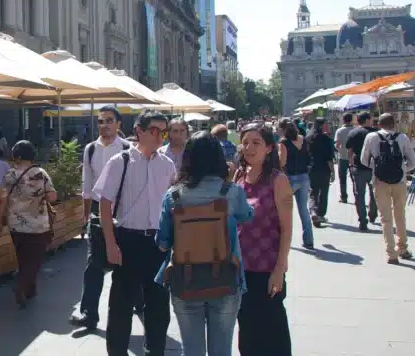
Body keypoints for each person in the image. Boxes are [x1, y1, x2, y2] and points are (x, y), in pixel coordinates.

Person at [156, 132, 253, 356]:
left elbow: (162, 243)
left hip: (185, 280)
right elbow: (247, 215)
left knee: (192, 350)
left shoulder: (174, 196)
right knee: (222, 349)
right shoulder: (231, 192)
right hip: (226, 278)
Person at [93, 109, 175, 356]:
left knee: (158, 305)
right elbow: (104, 204)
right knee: (121, 304)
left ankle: (155, 351)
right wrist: (111, 244)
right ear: (140, 131)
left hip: (158, 242)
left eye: (164, 132)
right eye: (155, 130)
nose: (160, 136)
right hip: (127, 239)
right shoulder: (120, 161)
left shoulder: (167, 165)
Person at [235, 123, 294, 355]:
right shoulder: (239, 176)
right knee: (247, 332)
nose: (249, 148)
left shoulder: (278, 180)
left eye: (256, 143)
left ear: (269, 148)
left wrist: (280, 269)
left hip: (267, 269)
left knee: (272, 332)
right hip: (241, 269)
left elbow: (287, 229)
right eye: (245, 142)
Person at [69, 106, 130, 331]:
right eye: (101, 121)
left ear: (118, 124)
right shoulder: (91, 149)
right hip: (97, 209)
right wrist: (85, 215)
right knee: (93, 263)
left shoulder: (127, 148)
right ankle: (89, 314)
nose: (104, 125)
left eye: (109, 120)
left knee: (126, 262)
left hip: (122, 208)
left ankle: (133, 305)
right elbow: (87, 185)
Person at [0, 140, 57, 307]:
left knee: (23, 257)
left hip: (16, 224)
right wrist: (42, 194)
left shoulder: (10, 175)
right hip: (38, 225)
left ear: (16, 156)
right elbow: (52, 197)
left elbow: (2, 199)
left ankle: (30, 289)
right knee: (35, 259)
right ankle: (22, 286)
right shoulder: (41, 173)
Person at [360, 113, 415, 264]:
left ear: (379, 124)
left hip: (380, 182)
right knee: (400, 215)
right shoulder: (403, 138)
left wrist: (377, 168)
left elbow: (364, 160)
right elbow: (414, 161)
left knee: (385, 218)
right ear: (394, 124)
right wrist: (402, 169)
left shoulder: (371, 137)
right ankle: (403, 248)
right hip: (400, 182)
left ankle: (391, 253)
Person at [278, 119, 314, 249]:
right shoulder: (302, 139)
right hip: (304, 177)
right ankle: (309, 240)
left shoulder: (283, 142)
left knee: (284, 211)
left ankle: (283, 239)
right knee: (303, 210)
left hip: (289, 178)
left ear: (282, 129)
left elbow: (282, 162)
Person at [346, 112, 379, 231]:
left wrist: (350, 163)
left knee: (359, 194)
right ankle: (372, 214)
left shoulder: (353, 133)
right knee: (374, 193)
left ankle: (362, 221)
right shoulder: (375, 133)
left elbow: (349, 150)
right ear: (367, 120)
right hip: (373, 168)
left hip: (358, 167)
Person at [306, 118, 335, 227]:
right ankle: (321, 214)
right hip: (324, 169)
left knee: (313, 192)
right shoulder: (326, 139)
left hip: (312, 168)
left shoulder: (308, 138)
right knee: (324, 192)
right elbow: (329, 158)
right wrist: (333, 171)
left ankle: (313, 211)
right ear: (323, 126)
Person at [333, 113, 355, 203]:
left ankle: (344, 197)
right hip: (353, 157)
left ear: (343, 120)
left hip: (342, 157)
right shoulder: (355, 130)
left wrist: (340, 150)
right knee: (355, 178)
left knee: (342, 178)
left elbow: (337, 145)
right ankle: (357, 196)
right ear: (351, 120)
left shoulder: (339, 131)